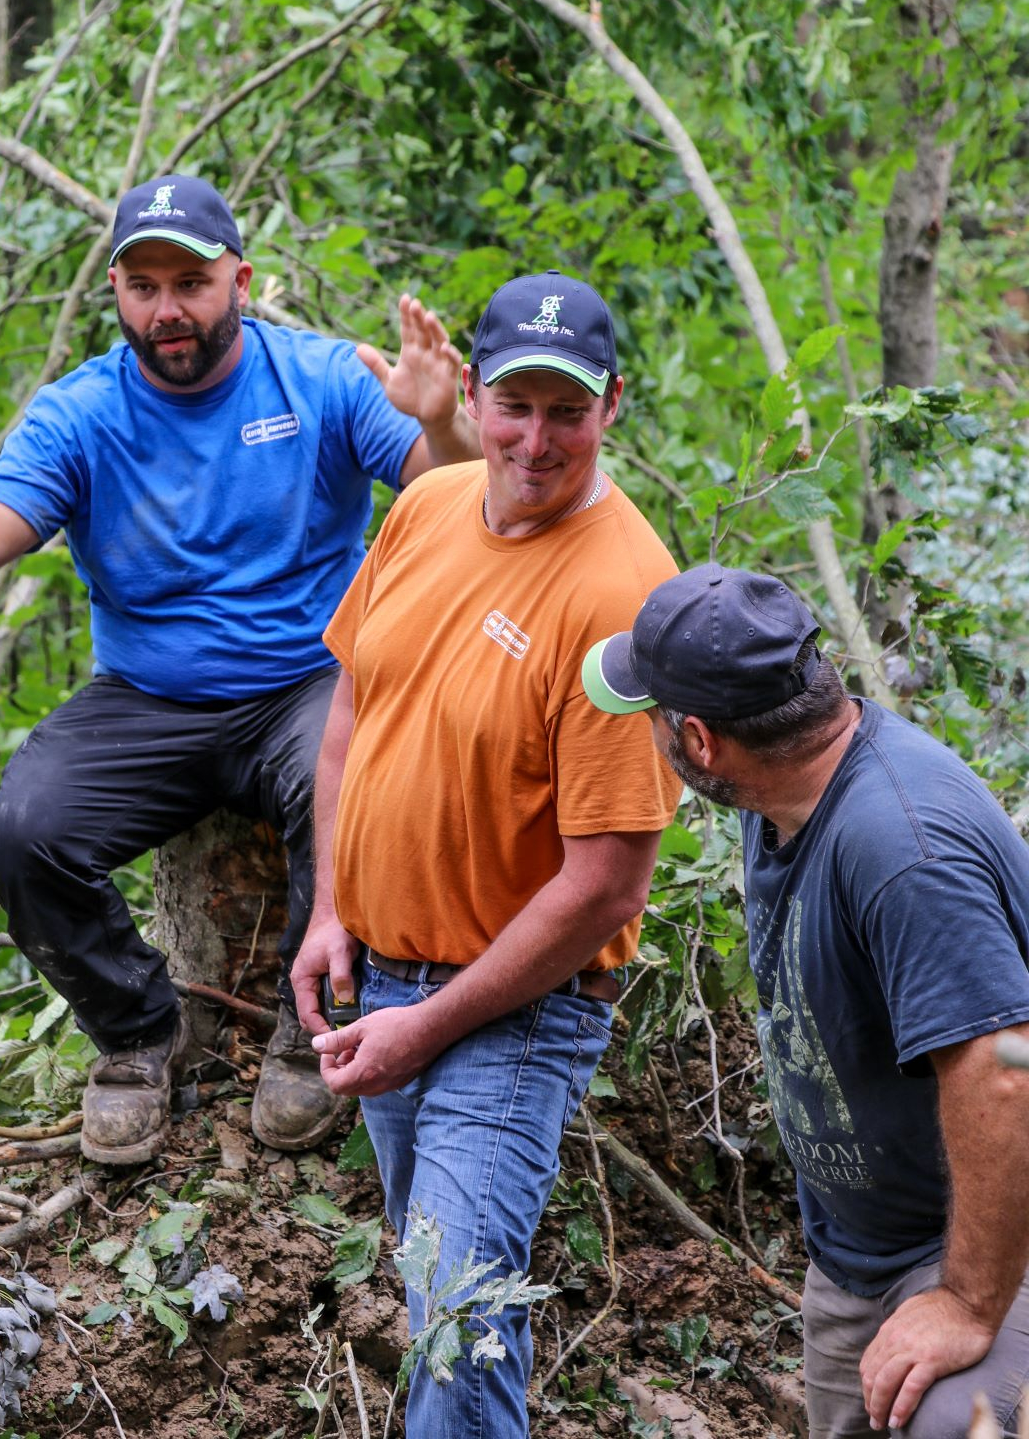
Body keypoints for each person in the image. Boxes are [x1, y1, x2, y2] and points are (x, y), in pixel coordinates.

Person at [0, 172, 479, 1162]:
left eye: (190, 282)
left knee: (360, 789)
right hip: (149, 697)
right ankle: (139, 1032)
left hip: (308, 679)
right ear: (118, 296)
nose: (167, 310)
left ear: (241, 282)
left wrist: (440, 421)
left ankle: (314, 1031)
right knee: (21, 835)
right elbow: (8, 510)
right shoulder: (82, 410)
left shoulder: (321, 379)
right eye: (142, 286)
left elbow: (458, 491)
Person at [291, 269, 681, 1439]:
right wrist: (328, 909)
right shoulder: (427, 505)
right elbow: (354, 711)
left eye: (568, 409)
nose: (536, 438)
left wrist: (433, 1018)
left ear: (612, 406)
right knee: (437, 1302)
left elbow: (608, 880)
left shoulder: (622, 600)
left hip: (510, 1015)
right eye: (514, 403)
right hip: (386, 982)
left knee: (458, 1335)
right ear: (473, 392)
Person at [583, 563, 1029, 1439]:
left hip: (984, 1248)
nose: (651, 741)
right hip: (859, 1253)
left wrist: (971, 1303)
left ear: (700, 743)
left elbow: (1004, 1076)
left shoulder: (902, 851)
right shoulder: (784, 786)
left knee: (956, 1424)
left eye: (653, 722)